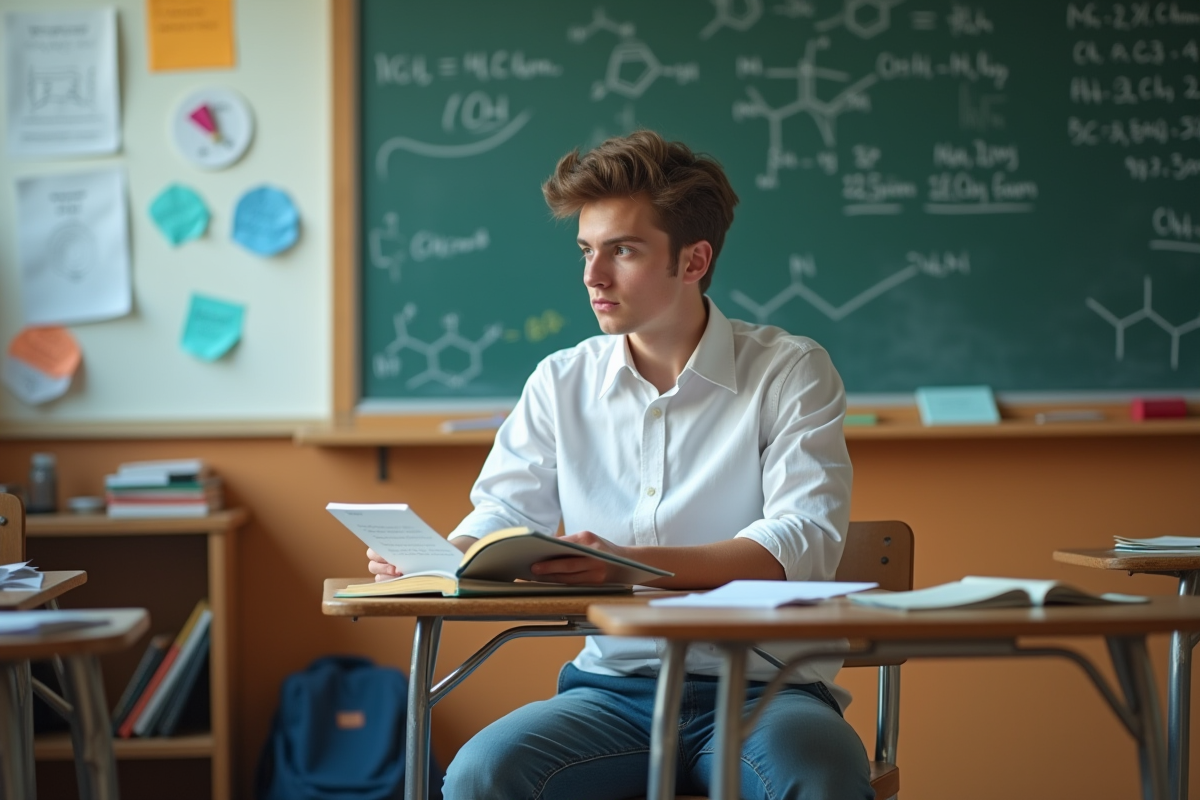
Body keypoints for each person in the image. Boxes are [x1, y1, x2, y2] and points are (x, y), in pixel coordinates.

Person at [366, 130, 871, 800]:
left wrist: (627, 567)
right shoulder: (560, 381)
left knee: (819, 774)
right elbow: (504, 515)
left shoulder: (789, 371)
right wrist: (440, 556)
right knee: (482, 776)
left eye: (622, 250)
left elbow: (798, 542)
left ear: (693, 261)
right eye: (585, 250)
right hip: (613, 695)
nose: (592, 276)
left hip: (767, 691)